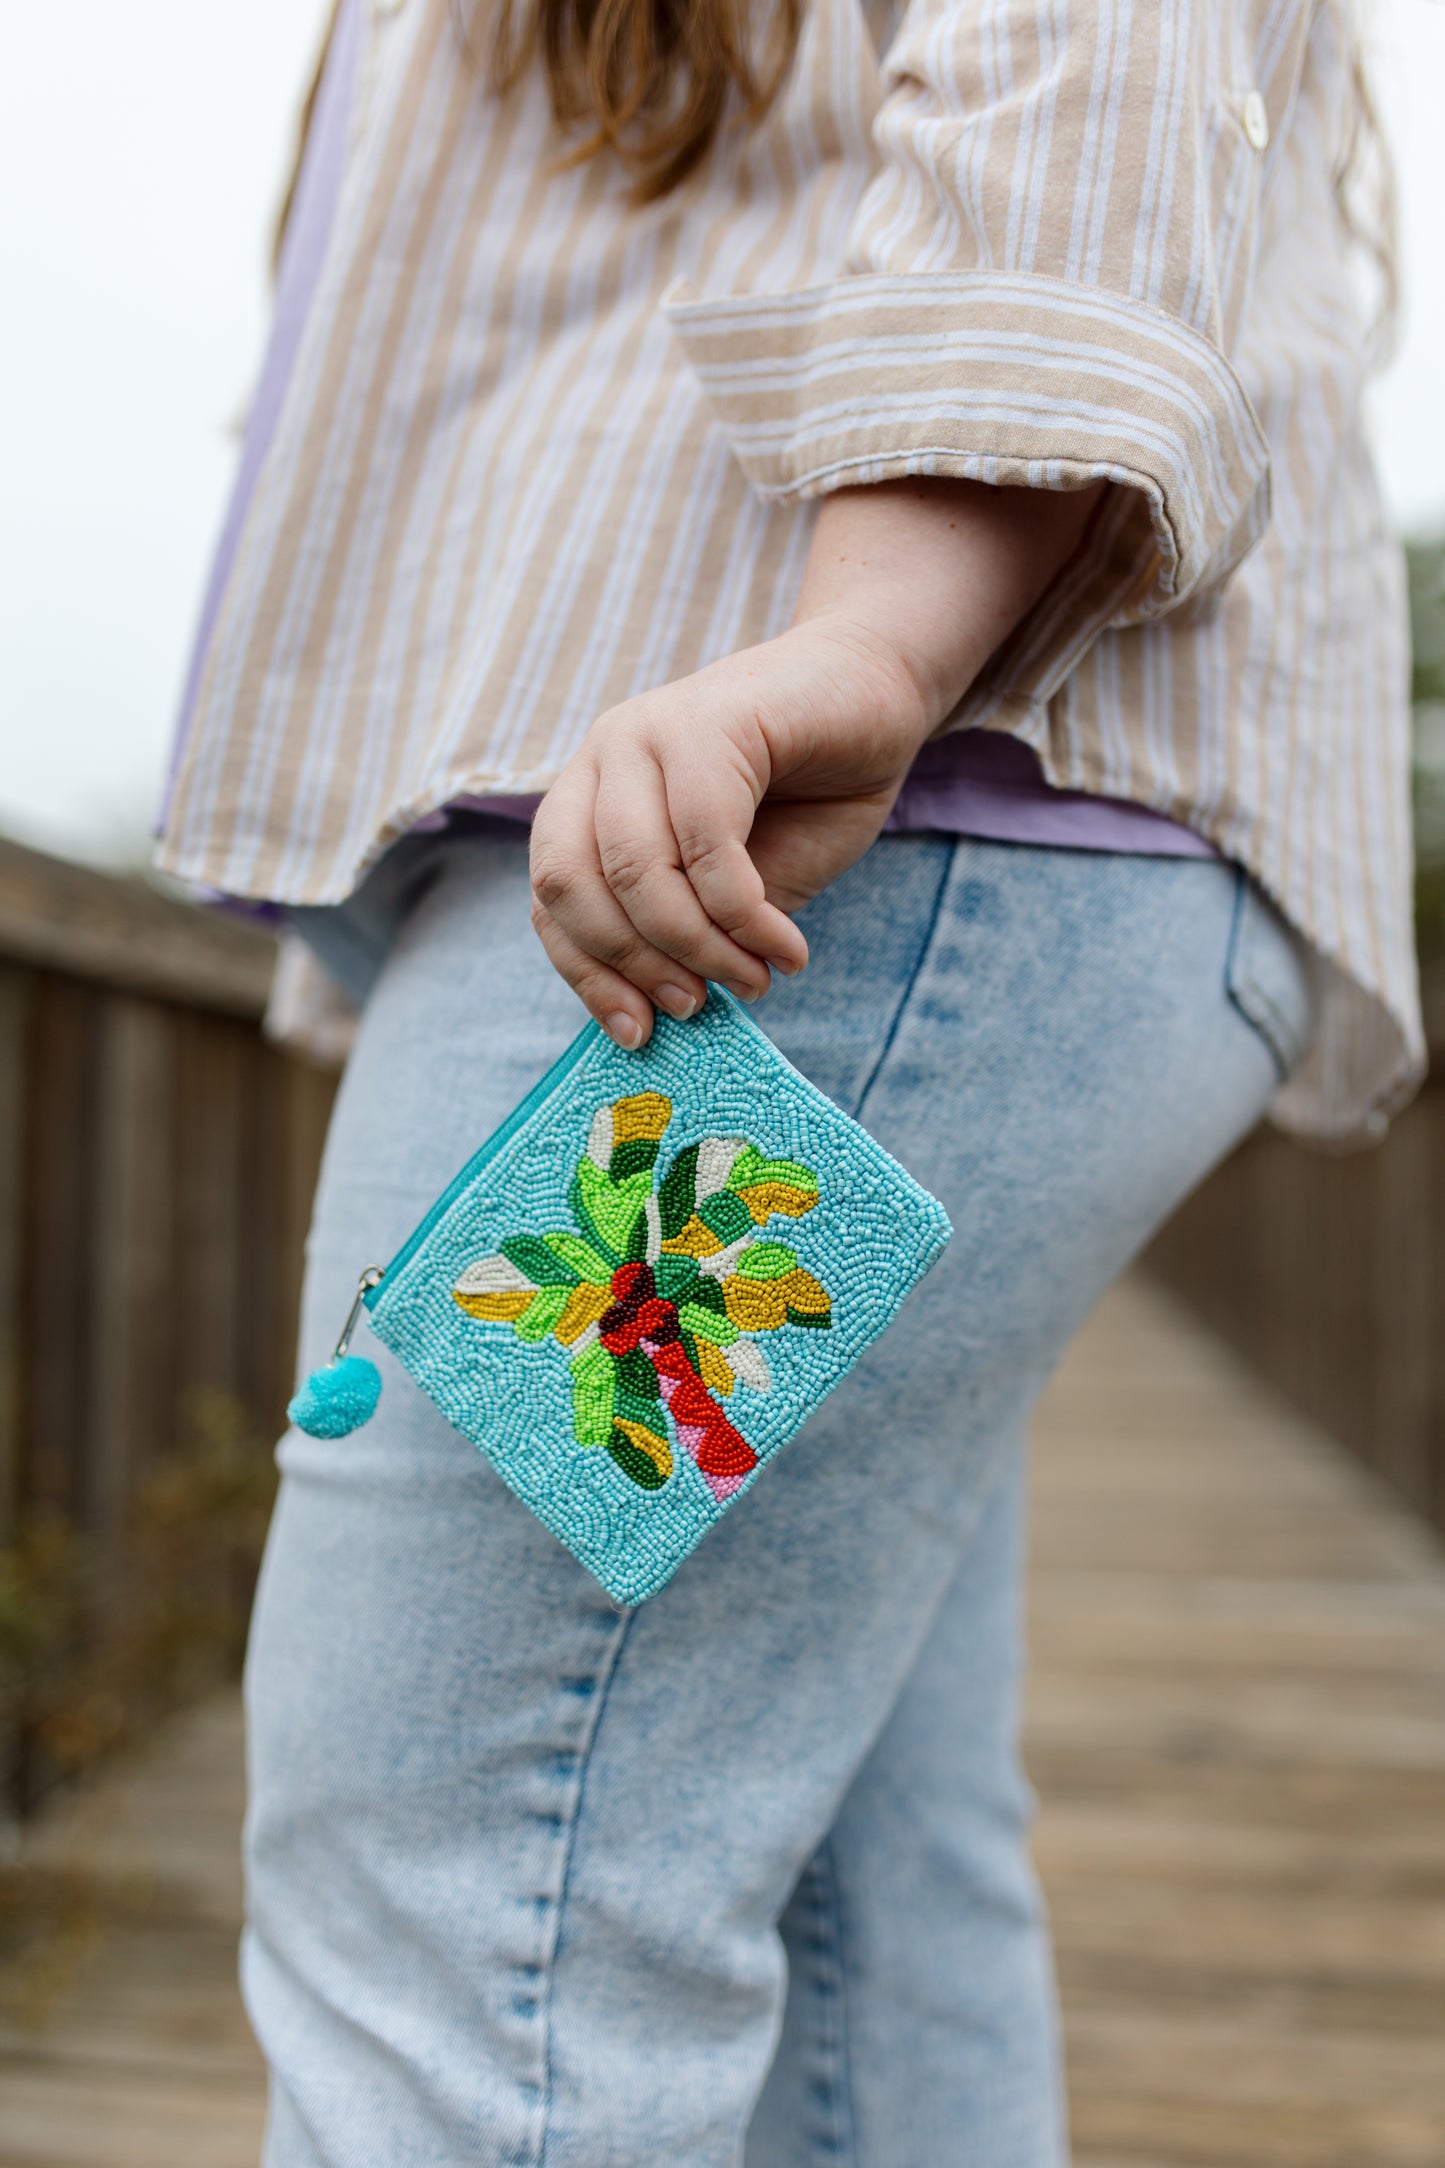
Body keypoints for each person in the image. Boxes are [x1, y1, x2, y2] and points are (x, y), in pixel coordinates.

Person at [158, 0, 1421, 2157]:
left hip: (808, 875)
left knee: (468, 1914)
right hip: (849, 879)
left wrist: (875, 639)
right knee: (852, 1880)